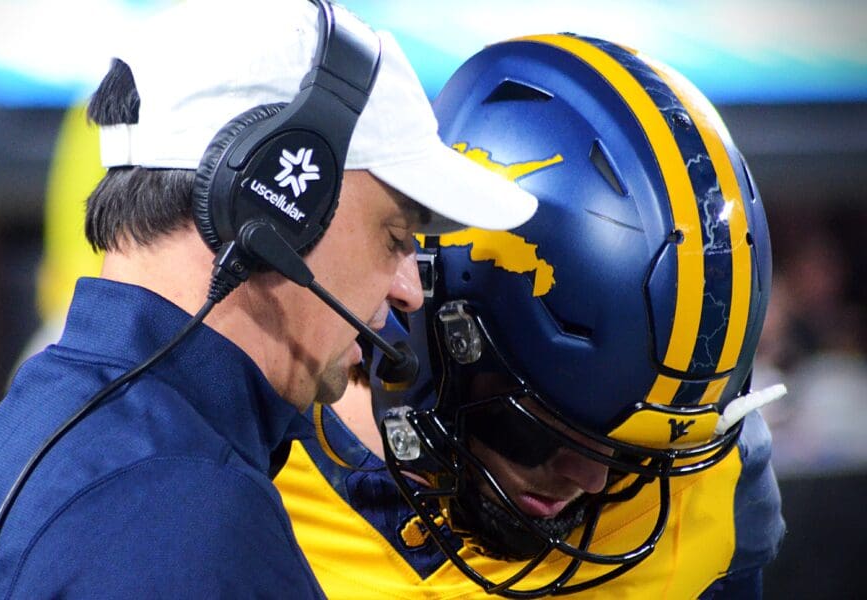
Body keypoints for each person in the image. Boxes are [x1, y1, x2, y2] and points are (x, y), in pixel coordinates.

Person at [0, 1, 536, 598]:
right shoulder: (179, 515)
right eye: (395, 237)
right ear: (275, 206)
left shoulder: (57, 422)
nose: (406, 290)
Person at [275, 33, 785, 597]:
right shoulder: (246, 478)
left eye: (632, 454)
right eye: (549, 425)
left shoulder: (709, 487)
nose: (592, 479)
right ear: (433, 324)